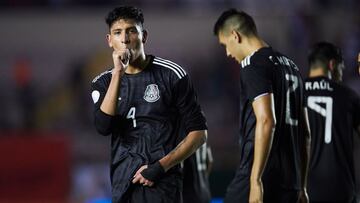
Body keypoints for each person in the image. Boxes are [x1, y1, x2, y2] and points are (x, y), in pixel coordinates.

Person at [91, 6, 208, 203]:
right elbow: (104, 127)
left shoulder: (172, 75)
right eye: (118, 33)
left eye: (131, 31)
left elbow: (199, 134)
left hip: (162, 183)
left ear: (143, 36)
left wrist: (160, 167)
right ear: (110, 40)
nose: (125, 39)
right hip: (122, 184)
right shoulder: (102, 82)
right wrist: (118, 73)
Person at [213, 9, 311, 203]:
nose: (227, 53)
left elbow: (266, 120)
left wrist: (255, 180)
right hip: (290, 183)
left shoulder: (252, 64)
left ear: (235, 35)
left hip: (260, 176)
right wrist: (302, 185)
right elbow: (305, 132)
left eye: (225, 45)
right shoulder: (292, 66)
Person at [305, 42, 360, 203]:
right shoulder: (348, 96)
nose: (341, 75)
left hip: (305, 190)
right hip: (341, 191)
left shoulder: (296, 92)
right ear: (332, 64)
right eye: (341, 69)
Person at [182, 135, 213, 203]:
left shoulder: (184, 133)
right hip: (205, 191)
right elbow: (210, 161)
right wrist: (203, 178)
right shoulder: (203, 134)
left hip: (189, 193)